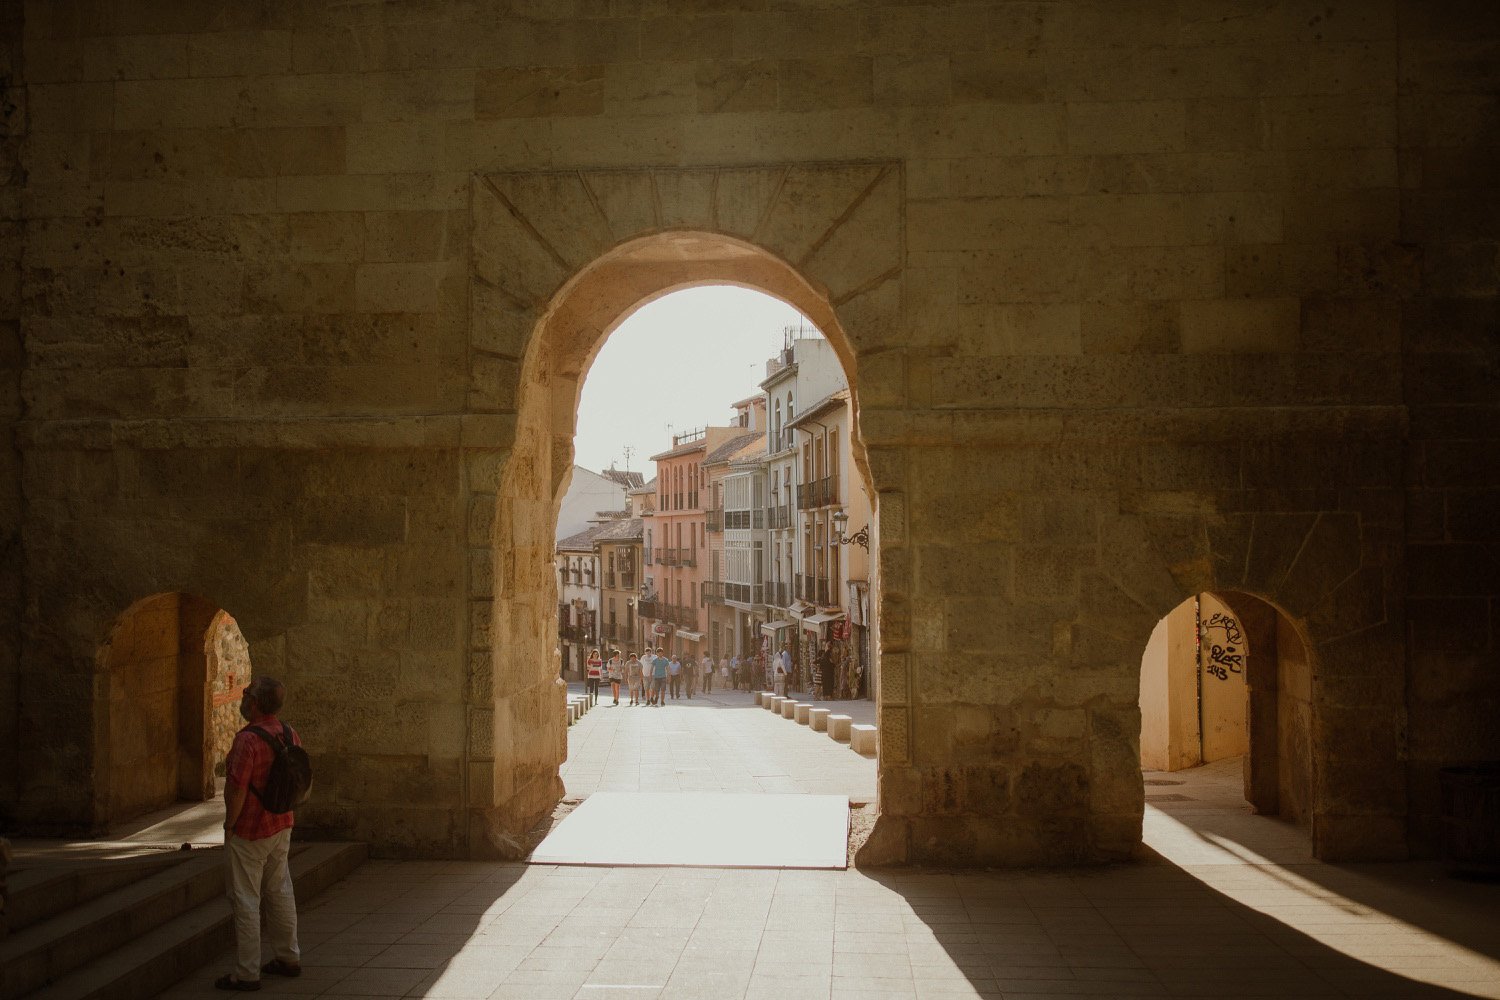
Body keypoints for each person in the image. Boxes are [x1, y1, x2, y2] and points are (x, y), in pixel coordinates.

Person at [216, 677, 302, 992]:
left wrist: (229, 824)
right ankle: (288, 956)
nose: (243, 696)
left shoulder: (246, 741)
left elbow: (237, 789)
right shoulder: (290, 733)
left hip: (250, 829)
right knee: (280, 889)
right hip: (281, 823)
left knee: (246, 898)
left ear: (256, 702)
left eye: (247, 693)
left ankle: (247, 972)